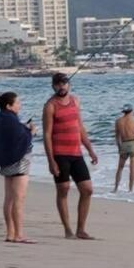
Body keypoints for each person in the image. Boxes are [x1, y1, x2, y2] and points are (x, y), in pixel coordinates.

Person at [43, 73, 99, 240]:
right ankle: (68, 230)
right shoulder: (50, 106)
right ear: (53, 86)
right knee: (64, 189)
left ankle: (81, 229)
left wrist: (90, 149)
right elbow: (46, 135)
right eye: (58, 84)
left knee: (87, 190)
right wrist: (51, 161)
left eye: (64, 83)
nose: (62, 87)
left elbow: (79, 126)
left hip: (76, 153)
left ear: (69, 85)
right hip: (60, 154)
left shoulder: (75, 101)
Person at [0, 91, 36, 244]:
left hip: (7, 162)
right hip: (18, 162)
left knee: (9, 199)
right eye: (17, 103)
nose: (19, 105)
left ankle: (10, 233)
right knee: (18, 199)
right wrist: (31, 132)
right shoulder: (9, 119)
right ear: (9, 105)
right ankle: (19, 234)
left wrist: (24, 128)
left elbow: (12, 134)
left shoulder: (1, 117)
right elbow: (20, 138)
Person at [113, 104, 134, 193]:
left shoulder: (118, 121)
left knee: (120, 168)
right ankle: (130, 189)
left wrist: (119, 147)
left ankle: (116, 188)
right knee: (132, 168)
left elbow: (117, 136)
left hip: (124, 144)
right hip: (133, 143)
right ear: (131, 111)